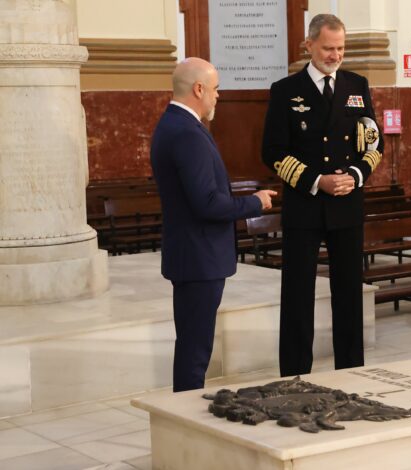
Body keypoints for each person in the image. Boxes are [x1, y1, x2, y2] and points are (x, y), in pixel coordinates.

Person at [262, 14, 383, 377]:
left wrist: (357, 175)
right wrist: (317, 181)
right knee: (298, 295)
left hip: (347, 204)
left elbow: (374, 142)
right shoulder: (286, 90)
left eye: (341, 49)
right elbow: (273, 151)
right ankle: (295, 373)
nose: (335, 55)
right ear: (309, 45)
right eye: (328, 48)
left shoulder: (357, 85)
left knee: (349, 293)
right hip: (306, 205)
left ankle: (351, 371)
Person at [150, 57, 276, 392]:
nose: (218, 96)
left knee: (194, 344)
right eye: (216, 89)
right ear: (199, 89)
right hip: (198, 257)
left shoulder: (174, 125)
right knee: (195, 349)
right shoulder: (186, 133)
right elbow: (207, 204)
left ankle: (186, 413)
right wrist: (255, 202)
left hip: (193, 254)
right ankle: (185, 420)